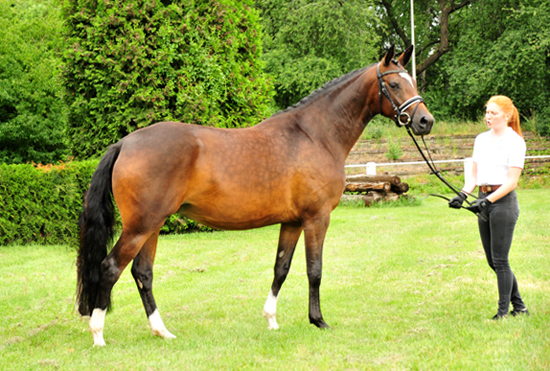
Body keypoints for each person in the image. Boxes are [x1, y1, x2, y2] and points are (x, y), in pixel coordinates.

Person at [449, 95, 529, 320]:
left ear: (507, 115)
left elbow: (512, 181)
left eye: (493, 113)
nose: (488, 116)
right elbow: (473, 177)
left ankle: (503, 311)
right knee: (492, 261)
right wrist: (462, 195)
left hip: (503, 203)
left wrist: (489, 200)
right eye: (487, 112)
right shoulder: (481, 139)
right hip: (483, 199)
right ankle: (520, 306)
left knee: (501, 260)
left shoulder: (515, 142)